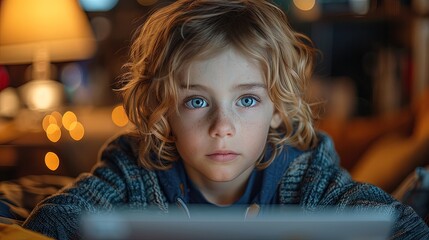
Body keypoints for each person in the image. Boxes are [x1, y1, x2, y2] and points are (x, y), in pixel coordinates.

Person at [22, 0, 429, 239]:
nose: (222, 126)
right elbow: (54, 220)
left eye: (247, 100)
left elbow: (400, 226)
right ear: (164, 113)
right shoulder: (134, 168)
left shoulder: (304, 171)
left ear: (278, 110)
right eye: (197, 102)